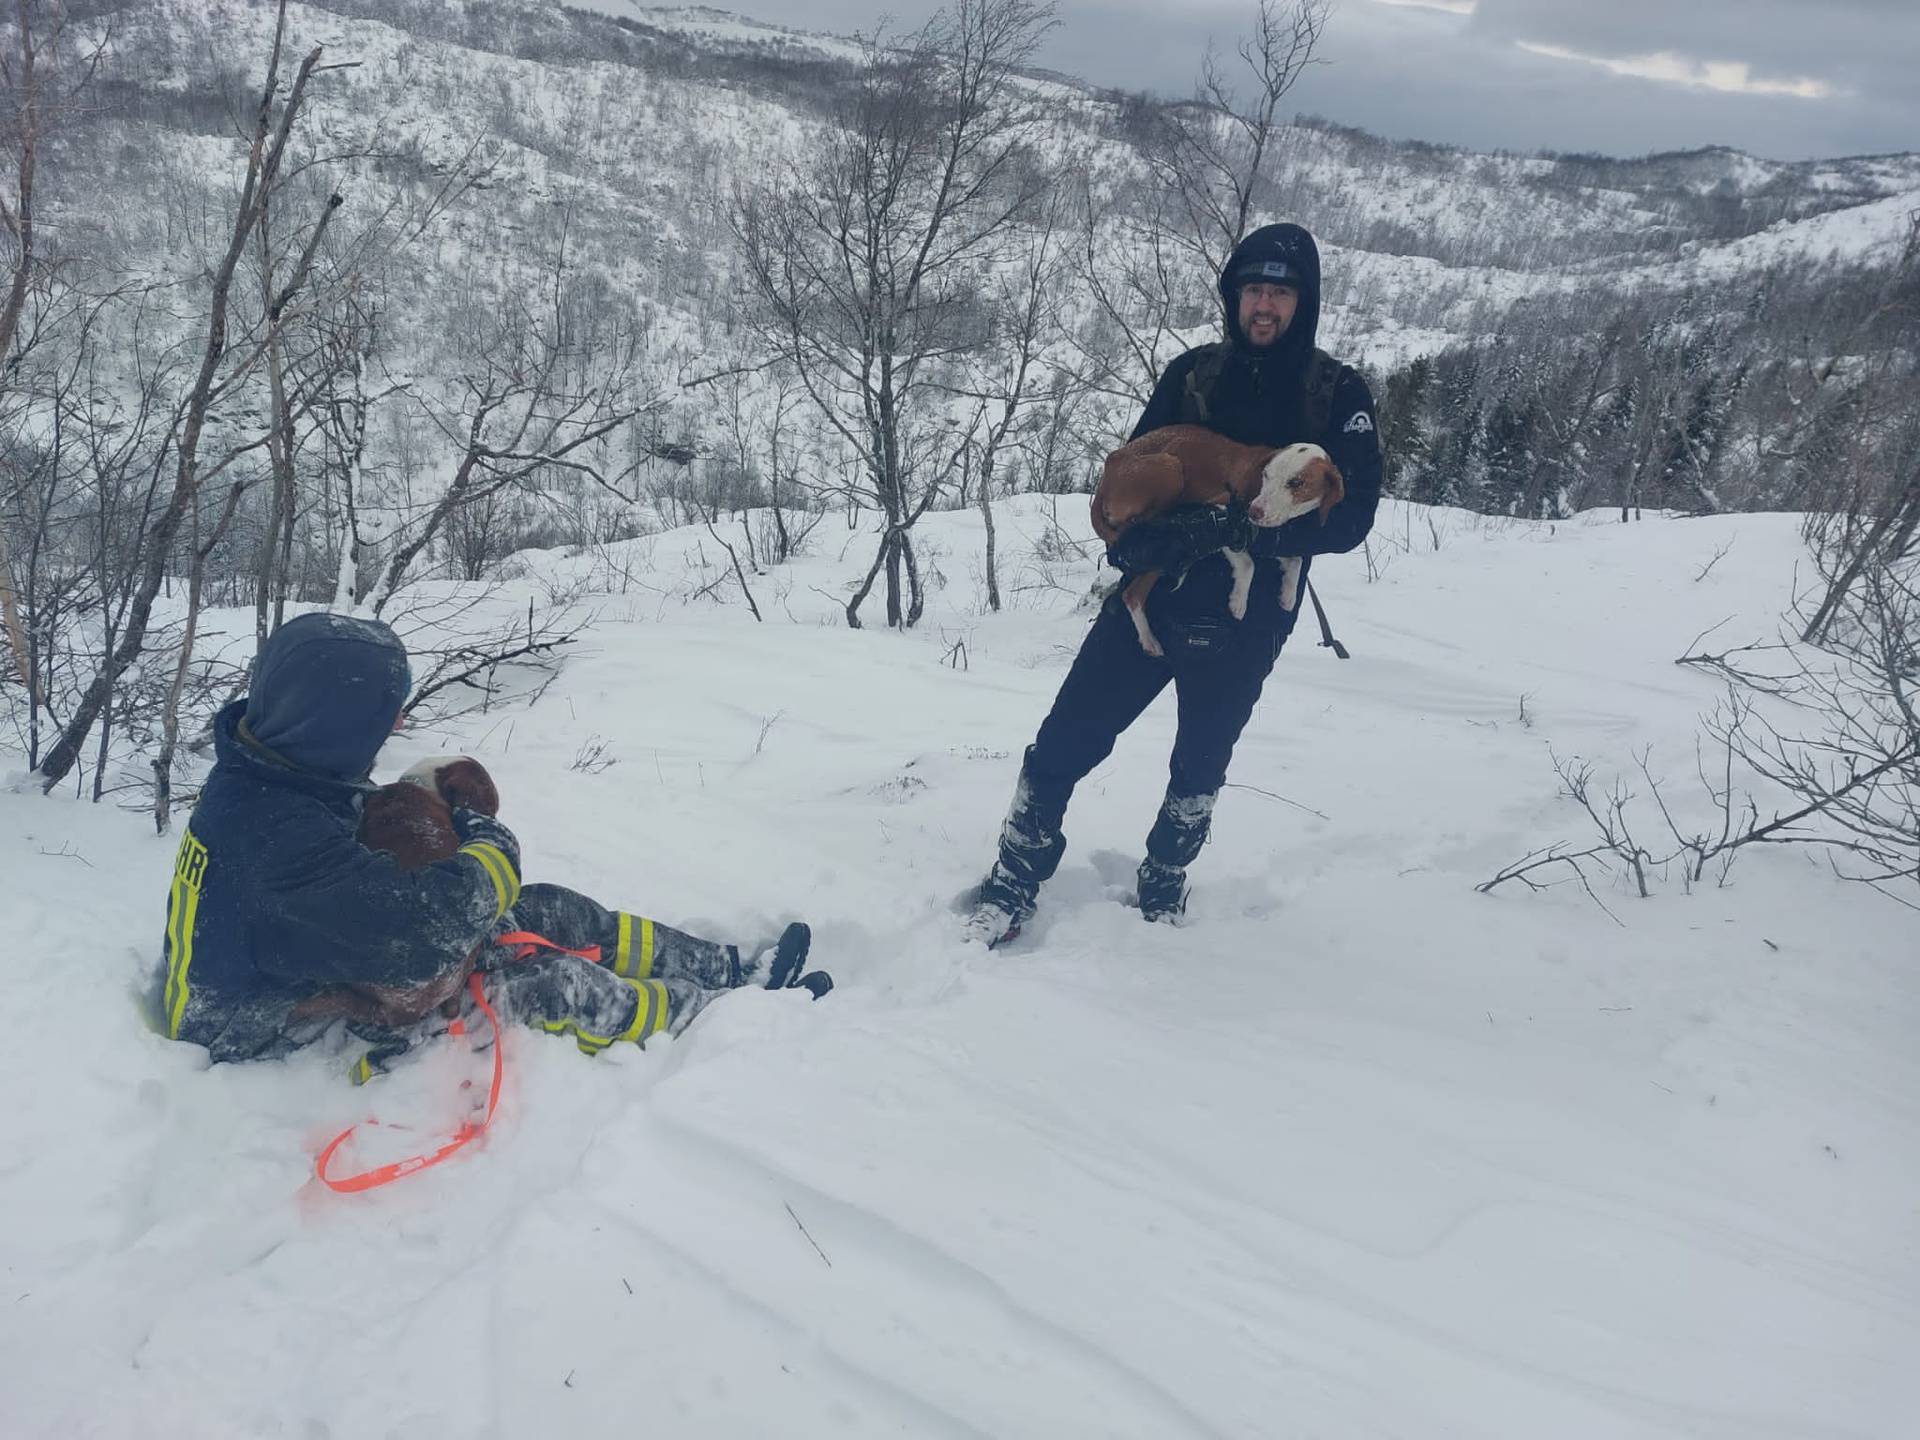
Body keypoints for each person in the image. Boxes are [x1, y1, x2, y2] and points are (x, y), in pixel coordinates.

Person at [156, 612, 829, 1080]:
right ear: (328, 721)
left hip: (308, 957)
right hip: (259, 1026)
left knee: (545, 908)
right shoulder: (276, 836)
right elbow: (435, 926)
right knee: (541, 984)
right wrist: (485, 833)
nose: (398, 721)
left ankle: (730, 968)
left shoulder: (274, 770)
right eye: (381, 712)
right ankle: (719, 1020)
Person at [965, 222, 1382, 942]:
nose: (1264, 306)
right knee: (1069, 732)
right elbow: (1137, 456)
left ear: (1302, 304)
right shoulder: (1194, 374)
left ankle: (1163, 881)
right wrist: (1137, 538)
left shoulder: (1336, 393)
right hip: (1160, 591)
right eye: (1253, 289)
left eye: (1280, 294)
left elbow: (1351, 518)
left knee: (1201, 761)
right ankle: (1015, 873)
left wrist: (1234, 529)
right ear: (1234, 296)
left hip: (1249, 614)